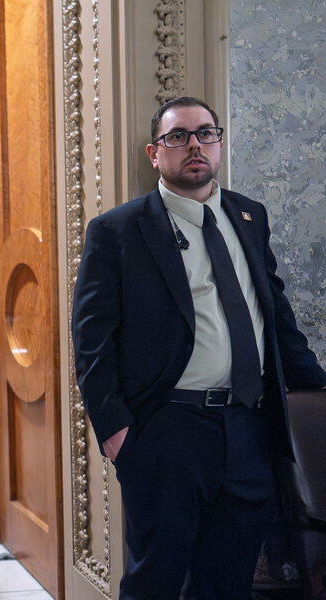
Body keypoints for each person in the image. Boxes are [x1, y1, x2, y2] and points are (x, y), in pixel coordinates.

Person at [72, 96, 326, 599]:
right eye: (178, 136)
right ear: (154, 153)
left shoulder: (249, 216)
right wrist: (117, 433)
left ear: (219, 144)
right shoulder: (117, 231)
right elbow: (91, 341)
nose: (194, 145)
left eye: (206, 133)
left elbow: (275, 316)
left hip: (247, 429)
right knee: (156, 581)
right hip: (167, 432)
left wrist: (318, 384)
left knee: (228, 582)